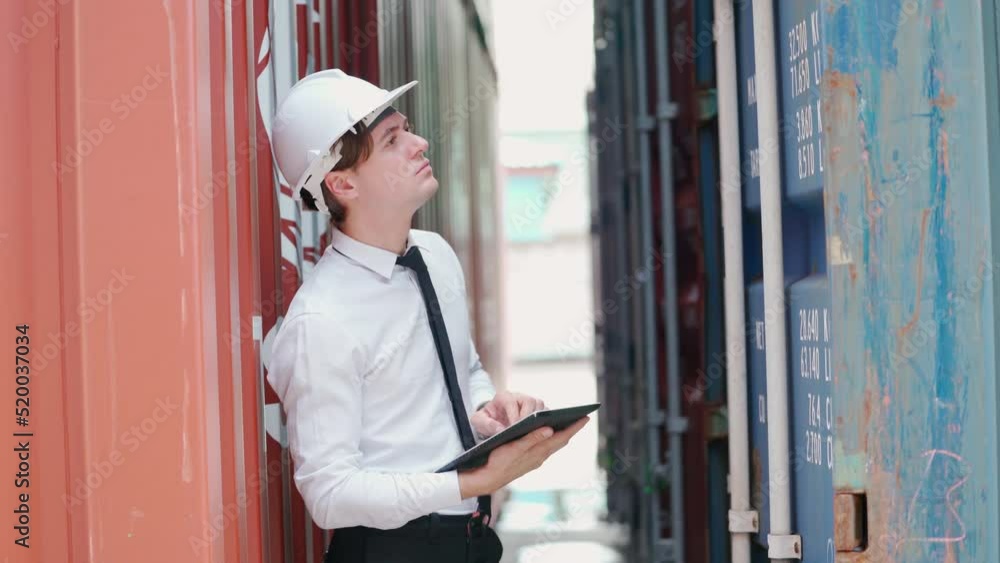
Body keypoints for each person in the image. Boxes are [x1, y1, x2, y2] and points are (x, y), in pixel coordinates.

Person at [267, 69, 589, 563]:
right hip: (392, 551)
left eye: (407, 129)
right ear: (342, 182)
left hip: (471, 542)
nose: (419, 143)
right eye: (393, 139)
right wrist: (475, 481)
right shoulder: (321, 320)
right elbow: (329, 495)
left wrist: (487, 410)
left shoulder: (434, 255)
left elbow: (465, 371)